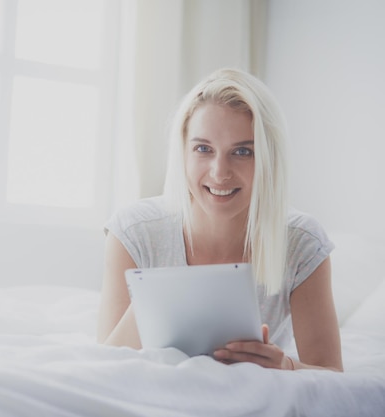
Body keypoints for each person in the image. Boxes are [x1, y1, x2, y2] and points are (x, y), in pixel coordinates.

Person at [96, 68, 343, 372]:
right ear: (182, 152)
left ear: (268, 158)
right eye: (203, 149)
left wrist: (285, 366)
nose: (219, 172)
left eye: (242, 151)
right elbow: (105, 366)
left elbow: (331, 377)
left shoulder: (302, 244)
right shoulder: (135, 232)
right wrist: (154, 304)